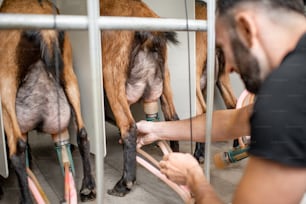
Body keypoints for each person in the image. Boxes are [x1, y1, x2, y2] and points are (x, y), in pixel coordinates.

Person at [136, 0, 306, 203]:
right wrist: (158, 129)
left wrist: (193, 178)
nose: (228, 68)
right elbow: (235, 121)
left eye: (224, 48)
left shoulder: (287, 97)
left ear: (246, 28)